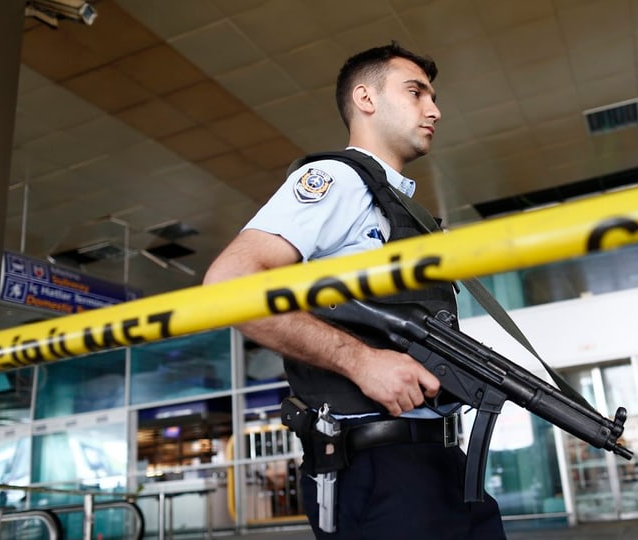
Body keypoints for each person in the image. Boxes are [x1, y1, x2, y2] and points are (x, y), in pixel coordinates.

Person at [204, 43, 506, 539]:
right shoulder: (339, 181)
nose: (434, 109)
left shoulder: (401, 207)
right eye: (416, 92)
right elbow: (229, 284)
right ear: (365, 98)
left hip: (437, 461)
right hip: (378, 466)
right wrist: (360, 361)